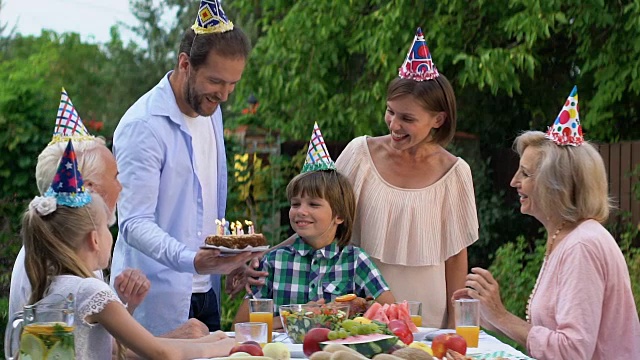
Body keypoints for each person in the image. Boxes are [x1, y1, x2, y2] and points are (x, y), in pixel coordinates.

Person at [239, 27, 478, 329]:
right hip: (359, 304)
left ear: (438, 119)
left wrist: (456, 328)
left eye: (408, 118)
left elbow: (456, 258)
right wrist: (264, 259)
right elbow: (320, 213)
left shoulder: (455, 173)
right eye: (391, 112)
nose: (394, 125)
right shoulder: (360, 154)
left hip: (426, 308)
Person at [453, 87, 640, 359]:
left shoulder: (582, 247)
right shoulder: (566, 237)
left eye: (525, 173)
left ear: (556, 187)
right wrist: (484, 312)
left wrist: (502, 315)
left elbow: (572, 351)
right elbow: (548, 335)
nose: (514, 181)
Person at [110, 0, 254, 335]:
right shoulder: (142, 126)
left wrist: (231, 257)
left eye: (233, 84)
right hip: (155, 300)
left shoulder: (212, 112)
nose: (226, 95)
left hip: (207, 293)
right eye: (217, 81)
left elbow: (202, 207)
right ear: (185, 63)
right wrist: (191, 260)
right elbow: (133, 223)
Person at [21, 141, 235, 360]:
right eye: (106, 226)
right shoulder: (90, 289)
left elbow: (106, 344)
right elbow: (160, 353)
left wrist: (207, 341)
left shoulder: (50, 284)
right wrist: (226, 347)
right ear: (94, 239)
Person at [234, 123, 395, 326]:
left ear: (339, 215)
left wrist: (353, 313)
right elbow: (240, 324)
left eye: (313, 204)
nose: (301, 210)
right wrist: (298, 316)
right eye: (295, 203)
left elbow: (390, 313)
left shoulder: (355, 260)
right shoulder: (274, 262)